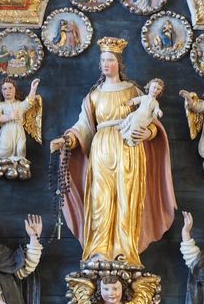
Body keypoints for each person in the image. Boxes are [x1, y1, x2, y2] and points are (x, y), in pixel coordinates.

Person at [50, 37, 176, 266]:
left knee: (127, 196)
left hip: (128, 148)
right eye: (103, 61)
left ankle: (124, 251)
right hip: (101, 149)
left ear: (119, 64)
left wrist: (148, 133)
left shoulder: (133, 91)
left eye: (110, 60)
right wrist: (67, 140)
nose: (106, 64)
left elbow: (151, 122)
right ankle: (99, 250)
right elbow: (83, 127)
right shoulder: (94, 95)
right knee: (100, 198)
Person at [0, 77, 41, 175]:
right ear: (2, 91)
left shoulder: (19, 105)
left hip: (19, 130)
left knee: (21, 149)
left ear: (15, 90)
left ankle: (17, 164)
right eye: (5, 89)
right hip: (7, 130)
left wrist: (33, 89)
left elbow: (29, 102)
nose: (8, 91)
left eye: (10, 88)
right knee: (5, 149)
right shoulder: (1, 105)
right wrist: (8, 117)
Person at [118, 78, 164, 147]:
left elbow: (157, 109)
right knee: (130, 116)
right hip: (138, 112)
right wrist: (131, 102)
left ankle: (134, 139)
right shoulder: (144, 97)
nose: (155, 90)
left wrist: (159, 112)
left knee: (138, 127)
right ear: (149, 87)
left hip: (146, 117)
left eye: (158, 89)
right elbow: (136, 100)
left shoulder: (155, 103)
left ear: (160, 92)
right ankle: (122, 126)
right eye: (154, 87)